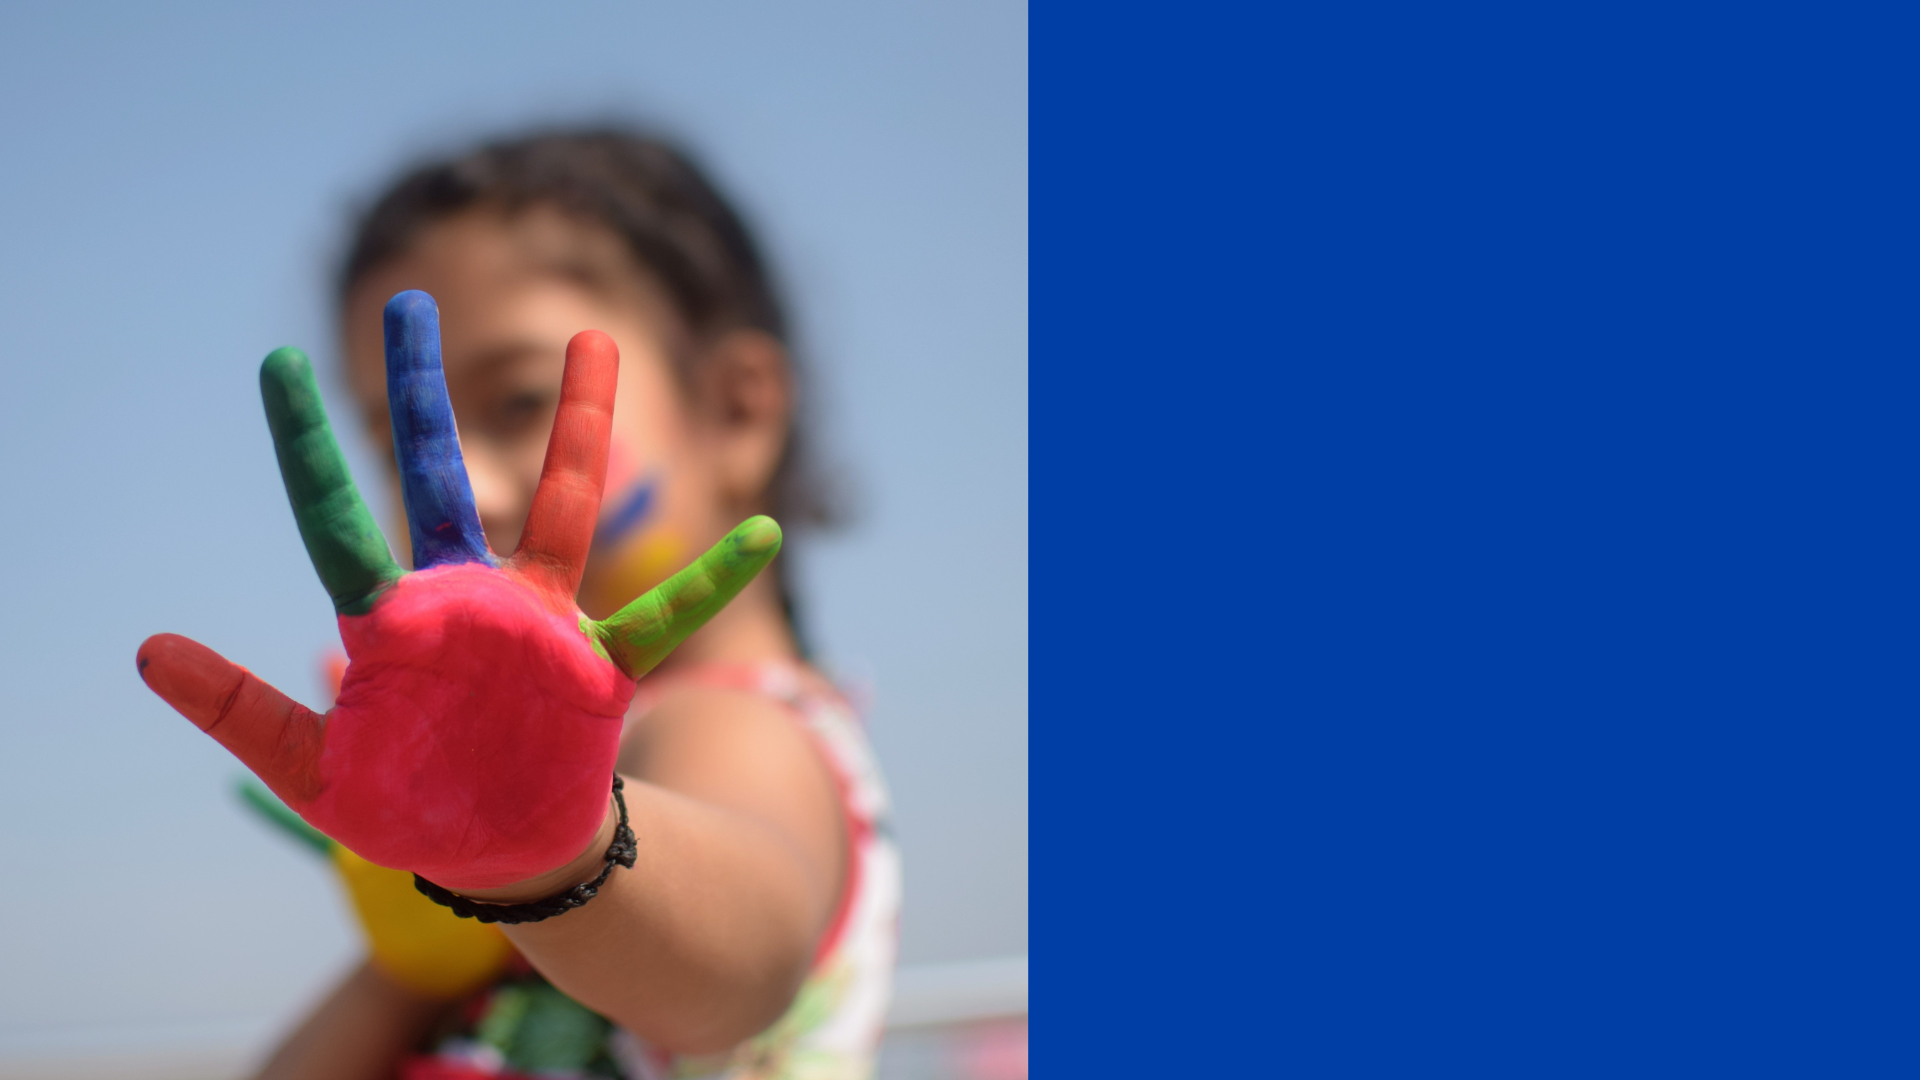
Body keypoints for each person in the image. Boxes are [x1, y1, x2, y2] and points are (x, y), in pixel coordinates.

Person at [146, 130, 899, 1080]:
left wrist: (553, 855)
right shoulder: (518, 807)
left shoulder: (741, 723)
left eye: (517, 402)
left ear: (736, 411)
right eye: (404, 441)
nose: (473, 487)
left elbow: (745, 961)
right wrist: (407, 960)